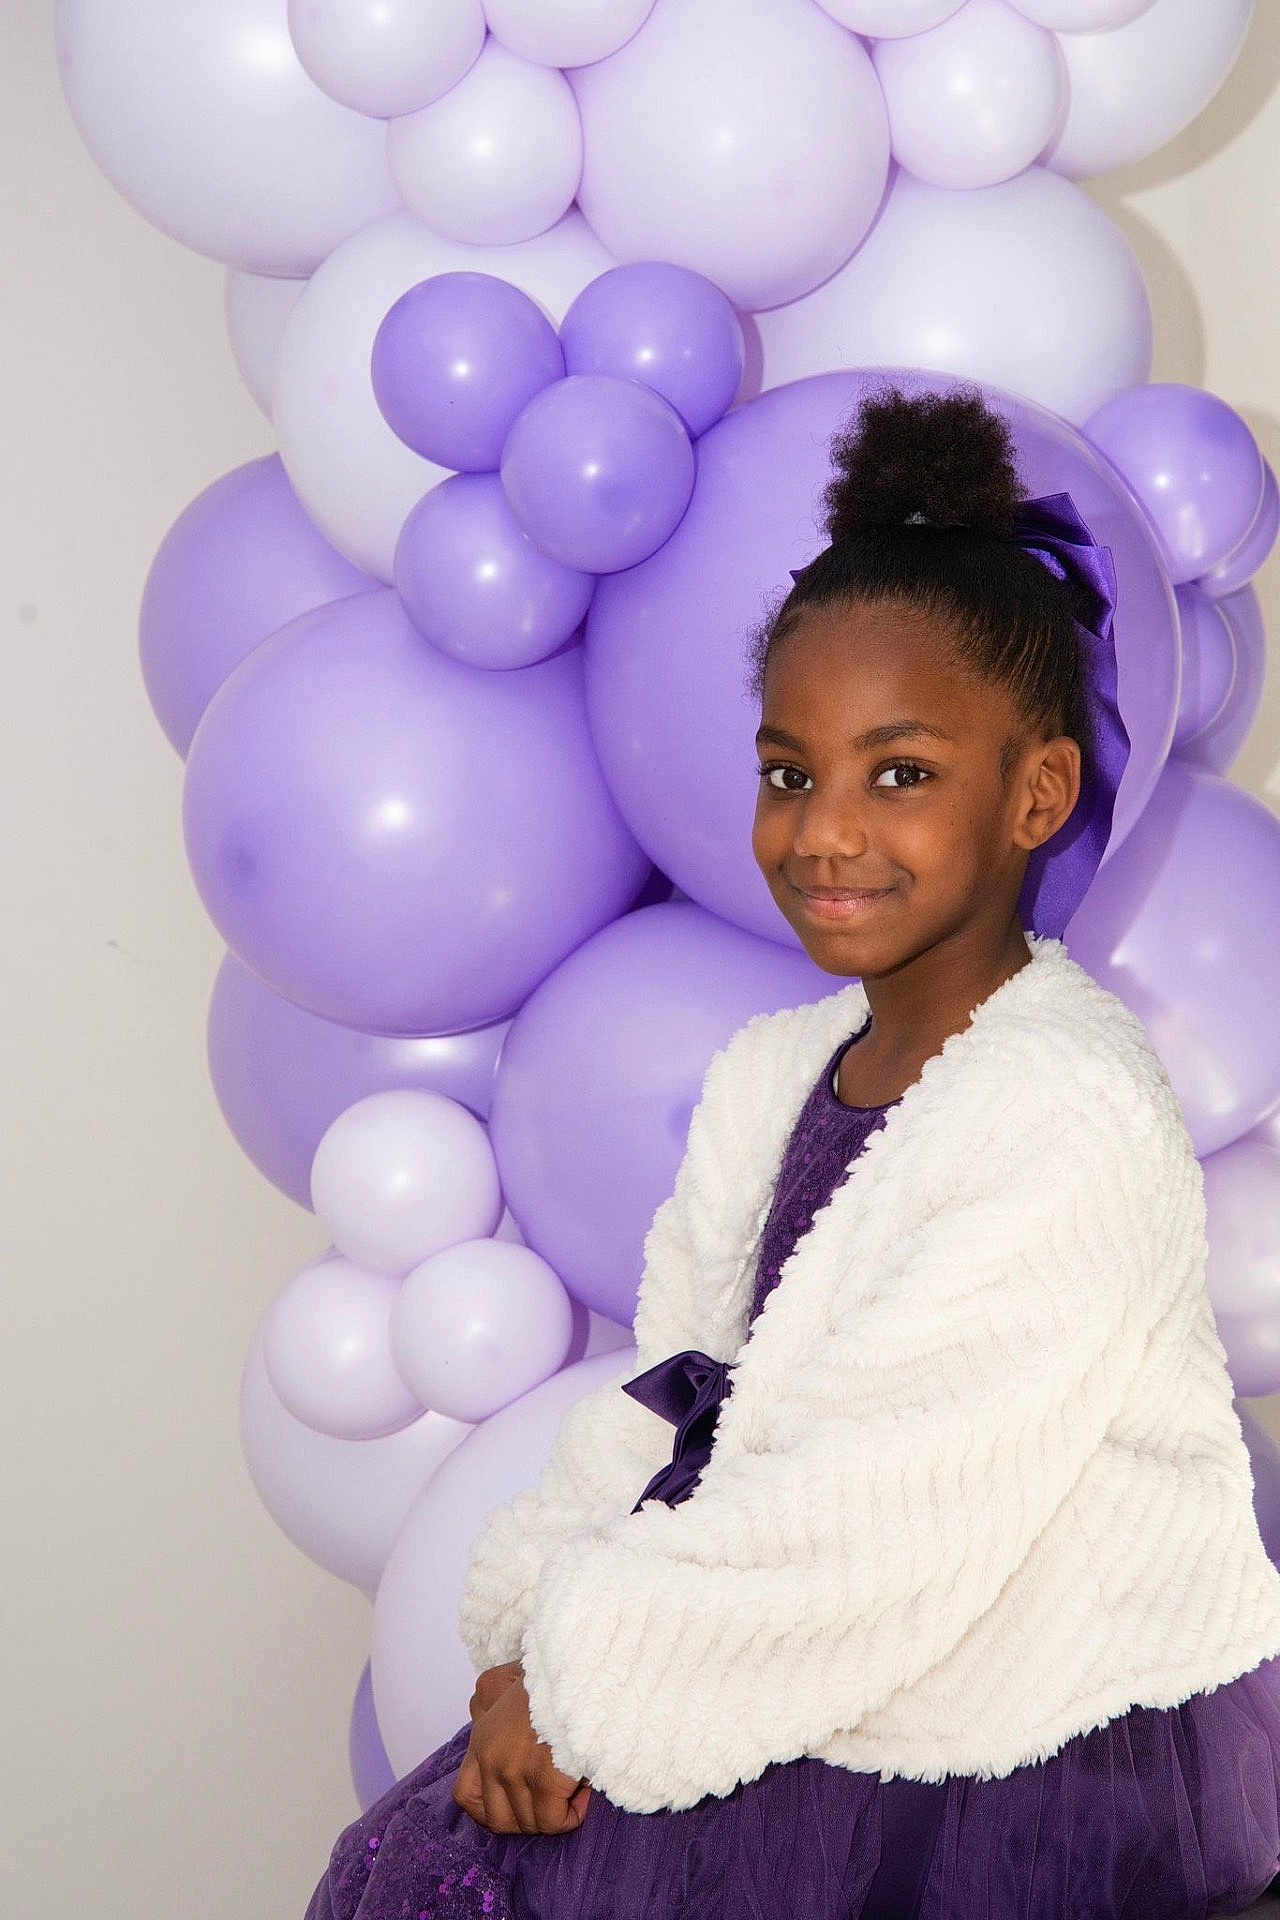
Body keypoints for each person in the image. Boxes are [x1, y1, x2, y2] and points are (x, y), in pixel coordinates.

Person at [302, 386, 1280, 1920]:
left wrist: (579, 1684)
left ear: (1036, 793)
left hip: (1022, 1708)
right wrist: (524, 1635)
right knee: (414, 1865)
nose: (825, 832)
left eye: (900, 773)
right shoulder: (778, 1075)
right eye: (788, 771)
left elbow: (889, 1510)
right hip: (799, 1620)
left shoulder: (1066, 1108)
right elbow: (665, 1401)